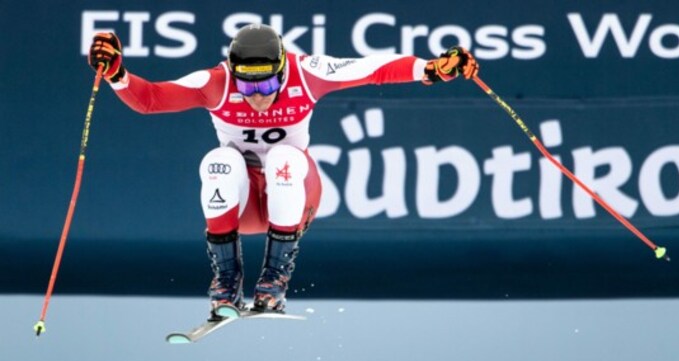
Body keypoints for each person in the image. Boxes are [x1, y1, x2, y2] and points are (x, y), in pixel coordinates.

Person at [88, 24, 478, 320]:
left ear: (281, 68)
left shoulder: (308, 72)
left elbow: (371, 68)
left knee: (282, 158)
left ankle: (274, 279)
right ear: (232, 73)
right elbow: (152, 100)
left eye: (270, 82)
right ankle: (226, 284)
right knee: (217, 162)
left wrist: (430, 69)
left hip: (293, 195)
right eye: (247, 85)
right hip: (242, 206)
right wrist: (117, 74)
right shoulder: (215, 83)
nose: (258, 96)